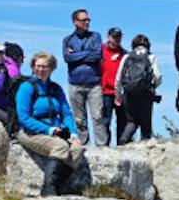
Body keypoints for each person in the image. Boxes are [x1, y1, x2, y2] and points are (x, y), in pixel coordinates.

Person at [15, 51, 86, 196]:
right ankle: (48, 188)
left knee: (77, 149)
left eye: (44, 67)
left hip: (56, 131)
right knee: (60, 146)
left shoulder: (55, 88)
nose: (40, 70)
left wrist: (72, 133)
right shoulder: (27, 87)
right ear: (33, 67)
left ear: (52, 68)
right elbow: (23, 117)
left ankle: (61, 187)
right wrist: (49, 130)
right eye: (37, 66)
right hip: (31, 132)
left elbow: (66, 113)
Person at [62, 8, 105, 146]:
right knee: (79, 119)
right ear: (75, 22)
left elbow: (97, 55)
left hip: (94, 84)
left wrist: (77, 55)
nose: (87, 22)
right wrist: (87, 54)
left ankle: (101, 146)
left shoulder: (95, 36)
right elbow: (68, 58)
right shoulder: (68, 40)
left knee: (98, 117)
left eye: (88, 20)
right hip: (75, 84)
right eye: (83, 20)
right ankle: (83, 146)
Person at [115, 34, 162, 143]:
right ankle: (145, 144)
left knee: (131, 121)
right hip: (145, 94)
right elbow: (158, 76)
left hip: (129, 93)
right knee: (146, 122)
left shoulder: (127, 57)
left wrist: (118, 94)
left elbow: (118, 77)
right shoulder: (150, 57)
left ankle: (124, 138)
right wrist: (153, 86)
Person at [98, 26, 127, 146]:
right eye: (114, 37)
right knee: (105, 121)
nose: (116, 40)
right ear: (108, 37)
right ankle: (105, 146)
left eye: (119, 37)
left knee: (123, 121)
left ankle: (122, 145)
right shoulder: (100, 51)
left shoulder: (124, 54)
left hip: (120, 92)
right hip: (105, 91)